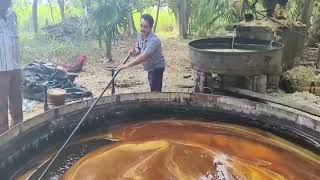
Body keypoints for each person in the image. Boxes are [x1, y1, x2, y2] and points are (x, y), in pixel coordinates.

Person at [118, 14, 166, 92]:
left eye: (145, 27)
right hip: (150, 67)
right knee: (153, 87)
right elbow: (139, 48)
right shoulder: (141, 35)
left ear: (150, 28)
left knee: (155, 90)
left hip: (157, 67)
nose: (142, 29)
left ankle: (156, 102)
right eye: (141, 26)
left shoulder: (154, 41)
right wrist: (134, 52)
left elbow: (143, 57)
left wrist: (125, 66)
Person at [0, 0, 23, 134]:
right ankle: (3, 134)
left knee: (16, 99)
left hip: (15, 65)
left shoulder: (12, 14)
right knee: (1, 103)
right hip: (0, 68)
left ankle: (18, 129)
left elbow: (14, 38)